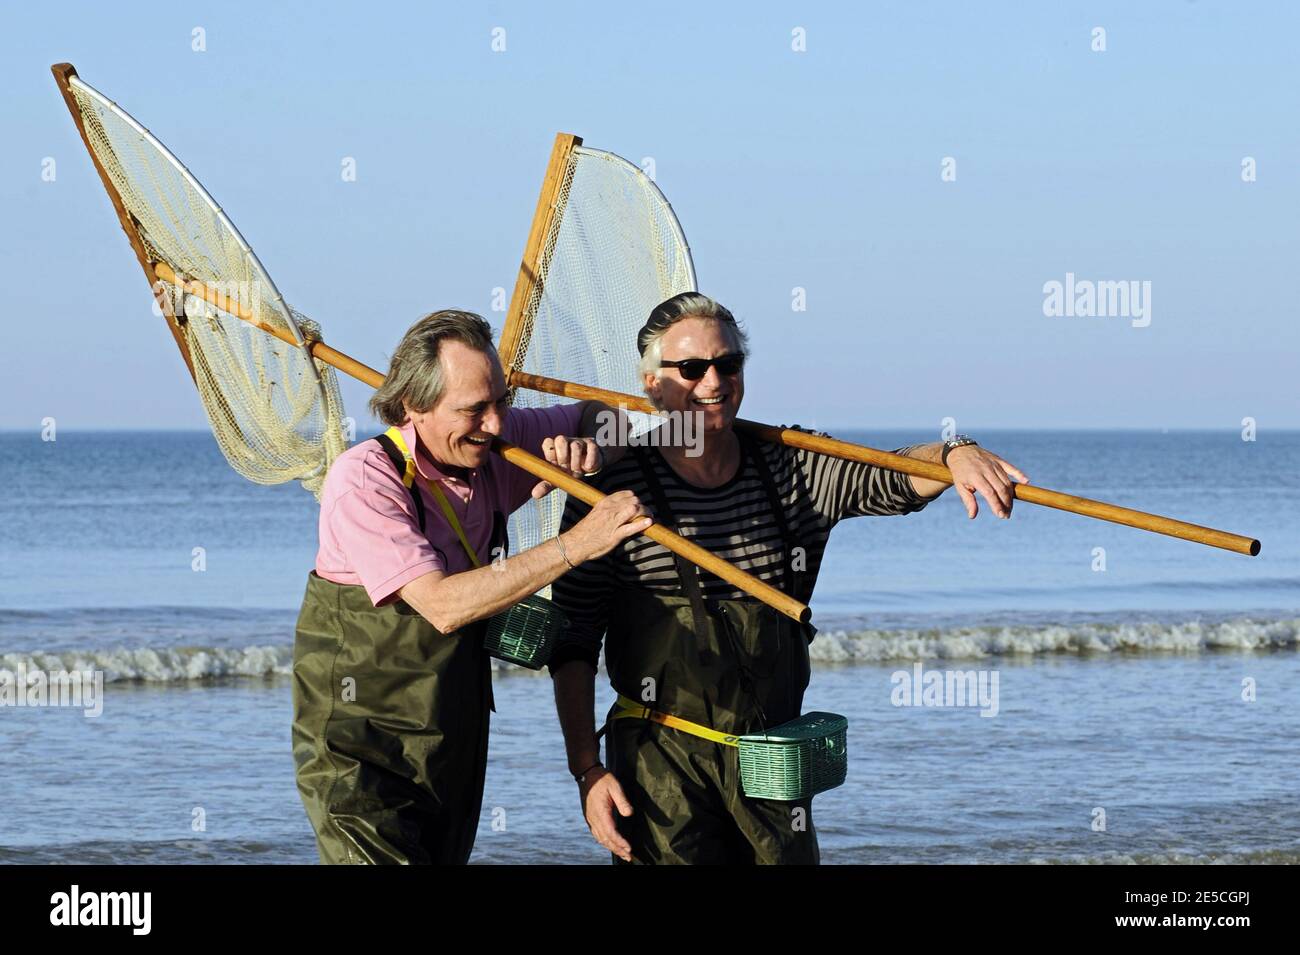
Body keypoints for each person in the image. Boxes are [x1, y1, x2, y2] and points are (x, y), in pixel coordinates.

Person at [550, 292, 1028, 864]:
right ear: (651, 384)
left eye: (728, 364)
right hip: (658, 761)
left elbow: (893, 477)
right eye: (692, 368)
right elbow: (573, 641)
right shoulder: (609, 491)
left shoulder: (790, 466)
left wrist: (955, 453)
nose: (714, 381)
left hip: (774, 759)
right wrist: (586, 770)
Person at [292, 309, 651, 864]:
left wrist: (592, 447)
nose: (494, 425)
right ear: (413, 404)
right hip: (362, 749)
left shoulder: (495, 444)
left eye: (500, 402)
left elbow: (611, 419)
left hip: (451, 735)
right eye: (472, 410)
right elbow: (441, 606)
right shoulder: (365, 479)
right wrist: (579, 544)